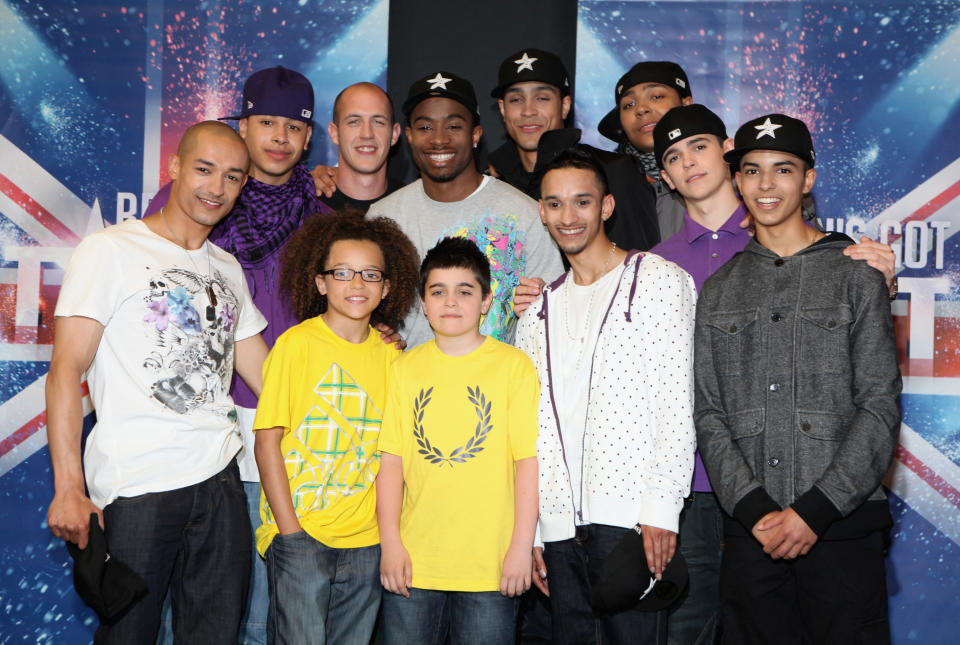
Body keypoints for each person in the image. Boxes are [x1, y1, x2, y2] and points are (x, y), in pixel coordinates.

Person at [46, 121, 269, 644]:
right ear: (175, 168)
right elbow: (64, 371)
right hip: (137, 487)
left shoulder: (226, 266)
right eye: (204, 169)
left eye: (233, 177)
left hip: (220, 482)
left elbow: (272, 378)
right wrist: (69, 490)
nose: (216, 188)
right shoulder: (111, 249)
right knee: (127, 637)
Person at [694, 113, 901, 645]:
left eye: (783, 169)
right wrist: (758, 511)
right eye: (752, 170)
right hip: (751, 539)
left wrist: (814, 510)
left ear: (808, 178)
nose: (767, 185)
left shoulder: (857, 275)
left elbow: (879, 406)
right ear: (736, 180)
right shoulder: (718, 290)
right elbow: (709, 414)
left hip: (843, 532)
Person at [144, 65, 333, 644]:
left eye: (293, 127)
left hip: (285, 424)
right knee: (189, 604)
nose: (279, 136)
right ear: (243, 127)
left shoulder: (324, 217)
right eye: (265, 122)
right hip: (197, 424)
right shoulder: (185, 203)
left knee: (254, 609)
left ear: (308, 140)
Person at [516, 148, 696, 645]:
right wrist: (532, 531)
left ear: (607, 207)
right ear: (542, 211)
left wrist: (661, 511)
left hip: (632, 522)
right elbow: (531, 432)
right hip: (556, 531)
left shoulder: (658, 280)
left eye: (581, 202)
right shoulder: (535, 313)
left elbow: (678, 404)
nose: (568, 217)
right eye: (554, 204)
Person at [253, 212, 419, 645]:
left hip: (367, 545)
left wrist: (387, 537)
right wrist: (290, 533)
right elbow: (267, 441)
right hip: (302, 537)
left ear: (386, 288)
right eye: (342, 273)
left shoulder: (393, 359)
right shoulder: (296, 346)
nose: (357, 284)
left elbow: (391, 458)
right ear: (321, 282)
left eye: (370, 275)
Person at [377, 237, 540, 644]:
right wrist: (390, 544)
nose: (451, 302)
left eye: (465, 291)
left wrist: (521, 547)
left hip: (492, 563)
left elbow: (528, 463)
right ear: (423, 302)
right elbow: (391, 463)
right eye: (438, 291)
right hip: (415, 559)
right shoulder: (404, 368)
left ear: (486, 300)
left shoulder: (514, 366)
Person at [366, 70, 563, 348]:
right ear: (408, 135)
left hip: (498, 386)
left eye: (454, 126)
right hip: (405, 385)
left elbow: (554, 319)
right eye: (424, 127)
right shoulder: (381, 219)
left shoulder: (526, 215)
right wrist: (373, 326)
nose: (438, 139)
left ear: (476, 134)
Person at [488, 48, 660, 252]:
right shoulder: (492, 183)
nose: (528, 111)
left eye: (542, 98)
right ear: (502, 108)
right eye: (516, 100)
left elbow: (642, 261)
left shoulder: (613, 171)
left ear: (565, 105)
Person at [318, 82, 405, 212]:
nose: (367, 134)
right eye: (354, 122)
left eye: (378, 122)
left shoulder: (411, 205)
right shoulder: (303, 206)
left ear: (394, 134)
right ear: (334, 133)